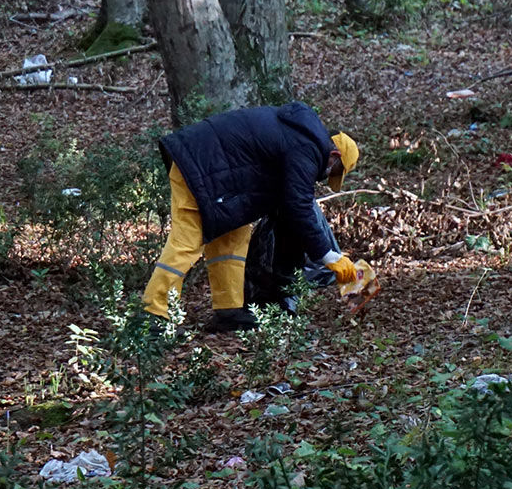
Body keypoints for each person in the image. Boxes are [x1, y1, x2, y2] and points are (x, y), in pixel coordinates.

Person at [141, 101, 360, 331]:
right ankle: (153, 313)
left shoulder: (302, 137)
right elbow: (299, 204)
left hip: (219, 175)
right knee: (187, 241)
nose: (325, 177)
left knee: (232, 237)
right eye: (333, 172)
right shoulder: (308, 147)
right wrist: (328, 256)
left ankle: (229, 310)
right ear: (333, 155)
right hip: (199, 167)